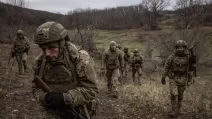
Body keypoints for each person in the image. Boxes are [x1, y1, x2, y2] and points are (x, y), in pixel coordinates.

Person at [32, 21, 98, 119]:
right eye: (43, 48)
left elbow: (91, 90)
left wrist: (67, 97)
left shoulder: (80, 58)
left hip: (77, 109)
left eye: (51, 48)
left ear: (61, 44)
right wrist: (45, 98)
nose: (47, 54)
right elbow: (35, 89)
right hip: (53, 111)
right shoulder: (40, 62)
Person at [161, 40, 192, 117]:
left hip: (183, 78)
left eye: (181, 47)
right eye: (178, 47)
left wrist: (190, 79)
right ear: (176, 48)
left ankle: (179, 110)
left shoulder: (188, 57)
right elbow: (166, 67)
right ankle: (173, 111)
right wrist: (163, 77)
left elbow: (191, 68)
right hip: (173, 78)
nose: (180, 49)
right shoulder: (171, 57)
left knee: (181, 96)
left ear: (184, 48)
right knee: (173, 94)